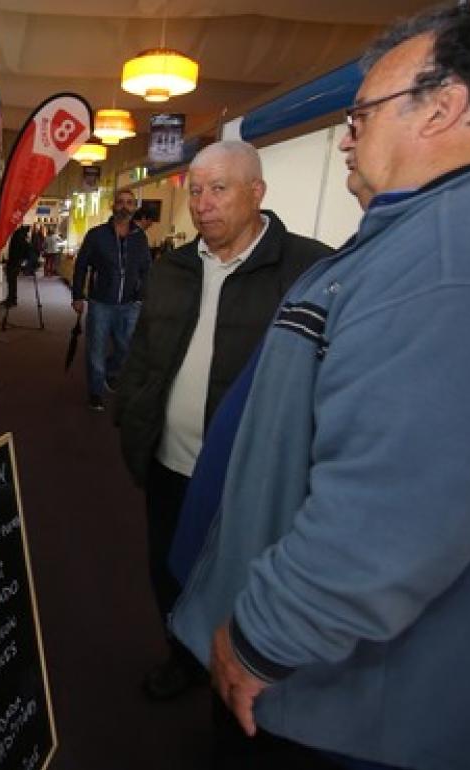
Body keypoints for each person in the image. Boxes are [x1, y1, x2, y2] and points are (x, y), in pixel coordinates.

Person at [170, 5, 470, 769]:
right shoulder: (463, 226)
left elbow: (399, 511)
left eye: (362, 112)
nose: (347, 134)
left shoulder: (468, 248)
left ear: (444, 106)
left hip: (373, 713)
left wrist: (265, 636)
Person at [113, 140, 331, 703]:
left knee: (242, 576)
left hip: (246, 471)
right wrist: (130, 418)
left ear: (257, 192)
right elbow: (144, 353)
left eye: (220, 189)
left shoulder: (309, 270)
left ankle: (240, 667)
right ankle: (180, 656)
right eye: (197, 190)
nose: (203, 203)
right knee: (166, 568)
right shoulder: (175, 267)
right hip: (167, 459)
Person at [70, 189, 151, 411]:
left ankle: (110, 372)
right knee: (96, 349)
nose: (124, 207)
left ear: (134, 207)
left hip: (130, 304)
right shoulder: (96, 235)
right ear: (112, 206)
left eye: (129, 203)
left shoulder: (140, 237)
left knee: (127, 349)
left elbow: (146, 269)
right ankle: (95, 392)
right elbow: (81, 266)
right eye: (120, 202)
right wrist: (77, 295)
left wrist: (143, 296)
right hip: (101, 303)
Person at [4, 224, 34, 307]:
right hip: (16, 262)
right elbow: (26, 250)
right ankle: (12, 299)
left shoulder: (17, 235)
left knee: (11, 281)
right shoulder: (21, 238)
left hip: (13, 262)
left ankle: (12, 299)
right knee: (12, 281)